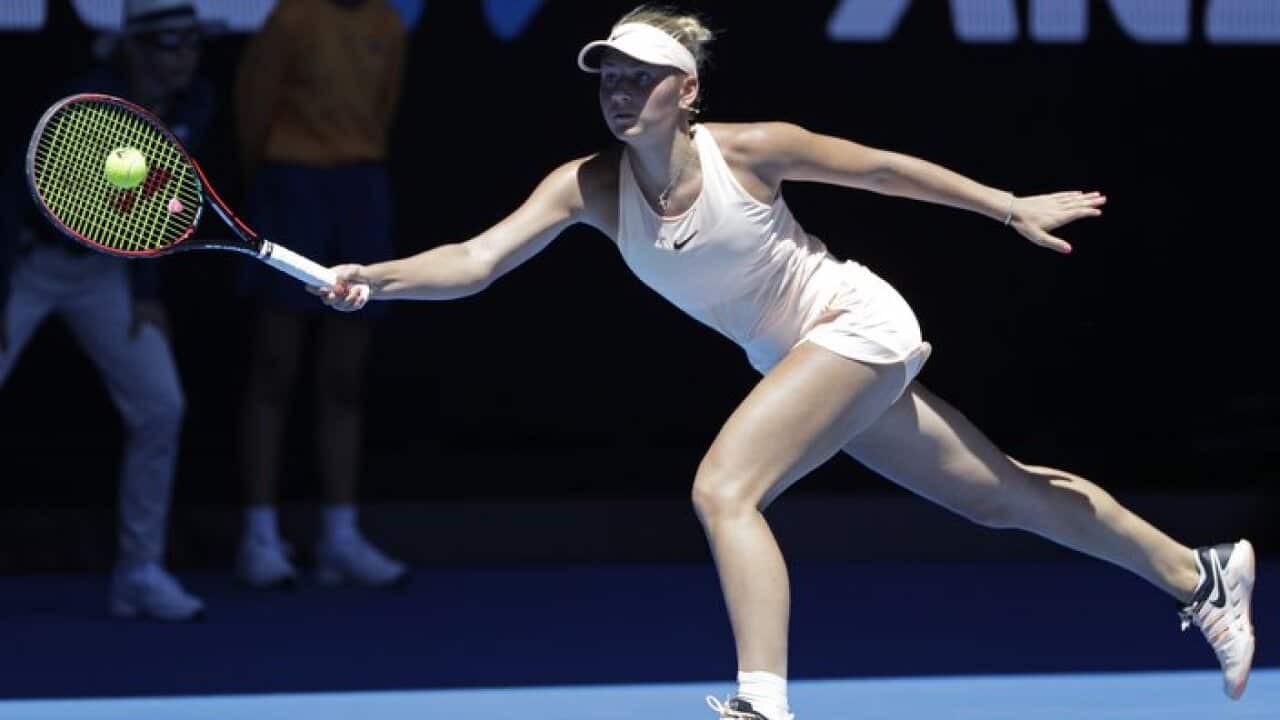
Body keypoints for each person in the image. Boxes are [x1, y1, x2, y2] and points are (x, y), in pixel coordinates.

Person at [317, 6, 1257, 718]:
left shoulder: (752, 150)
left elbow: (882, 169)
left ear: (686, 91)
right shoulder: (585, 186)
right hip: (794, 352)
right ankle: (1199, 574)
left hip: (851, 321)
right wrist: (380, 278)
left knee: (724, 489)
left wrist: (1007, 205)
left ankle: (762, 702)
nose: (616, 89)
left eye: (640, 76)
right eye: (606, 73)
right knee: (998, 495)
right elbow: (476, 262)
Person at [0, 0, 218, 621]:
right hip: (26, 268)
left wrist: (147, 294)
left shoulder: (196, 104)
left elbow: (158, 211)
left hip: (107, 277)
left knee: (161, 405)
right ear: (136, 48)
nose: (185, 58)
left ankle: (139, 573)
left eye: (192, 44)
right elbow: (14, 199)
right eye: (170, 44)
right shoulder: (86, 105)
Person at [232, 0, 409, 589]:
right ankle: (260, 536)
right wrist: (280, 183)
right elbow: (252, 115)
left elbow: (381, 112)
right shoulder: (290, 19)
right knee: (273, 367)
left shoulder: (387, 22)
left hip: (360, 189)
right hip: (294, 186)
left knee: (344, 377)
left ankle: (339, 536)